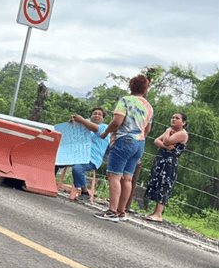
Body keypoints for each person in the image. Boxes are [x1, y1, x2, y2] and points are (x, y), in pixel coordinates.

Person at [95, 74, 153, 222]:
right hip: (139, 143)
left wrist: (106, 133)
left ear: (131, 86)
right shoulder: (148, 106)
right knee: (127, 178)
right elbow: (147, 129)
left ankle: (112, 210)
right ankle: (122, 211)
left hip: (124, 140)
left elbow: (117, 121)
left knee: (114, 175)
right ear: (145, 89)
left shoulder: (125, 101)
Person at [144, 113, 189, 222]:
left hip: (169, 163)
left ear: (183, 122)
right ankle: (155, 212)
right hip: (161, 160)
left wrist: (167, 133)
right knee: (157, 183)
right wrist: (167, 146)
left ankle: (158, 214)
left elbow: (166, 140)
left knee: (164, 186)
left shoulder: (182, 133)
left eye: (177, 118)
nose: (173, 119)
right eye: (172, 117)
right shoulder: (170, 130)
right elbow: (156, 141)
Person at [68, 107, 109, 200]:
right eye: (95, 113)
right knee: (55, 159)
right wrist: (72, 123)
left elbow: (94, 128)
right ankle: (48, 182)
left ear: (103, 118)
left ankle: (85, 192)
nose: (97, 116)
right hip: (76, 155)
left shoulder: (104, 128)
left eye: (100, 114)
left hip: (91, 159)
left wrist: (81, 120)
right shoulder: (84, 124)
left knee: (77, 168)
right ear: (90, 116)